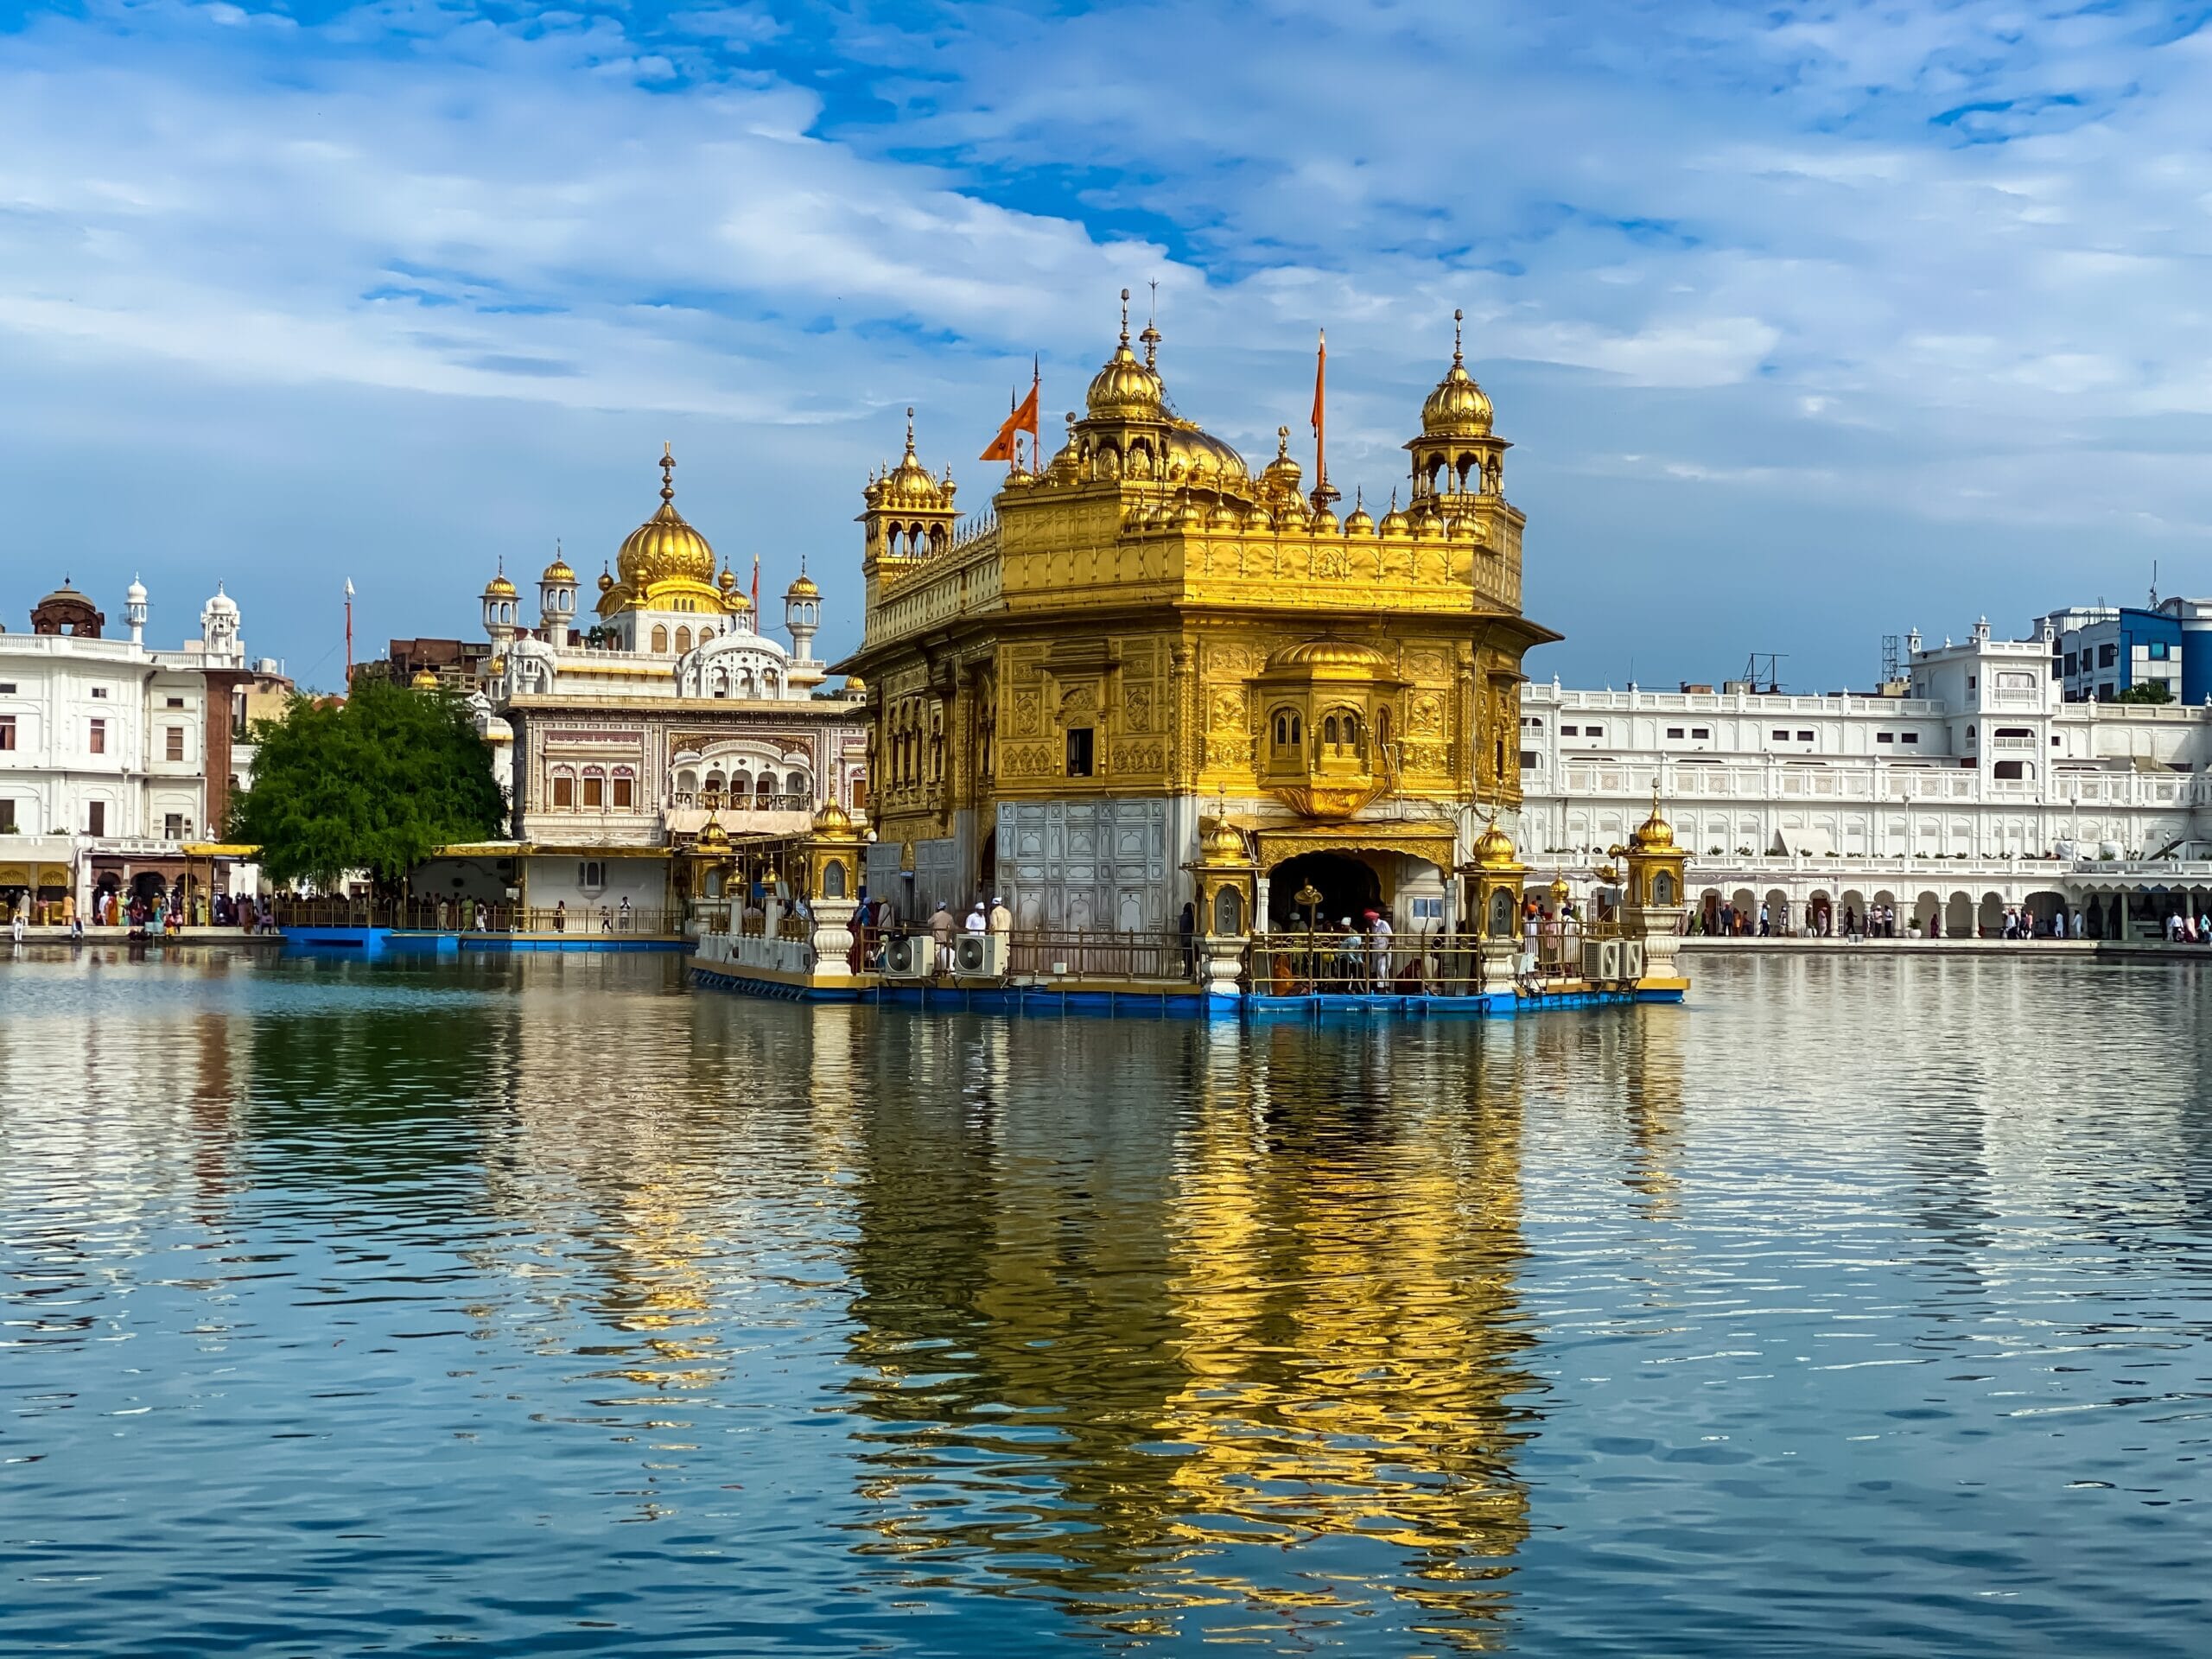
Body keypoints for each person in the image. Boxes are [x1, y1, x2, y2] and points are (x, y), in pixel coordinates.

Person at [1368, 908, 1393, 989]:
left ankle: (1383, 988)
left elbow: (1392, 938)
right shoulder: (1373, 926)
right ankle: (1380, 988)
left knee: (1382, 969)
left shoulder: (1383, 924)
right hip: (1376, 950)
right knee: (1374, 968)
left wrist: (1386, 950)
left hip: (1383, 951)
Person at [929, 900, 957, 973]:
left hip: (937, 939)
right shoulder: (949, 916)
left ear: (938, 908)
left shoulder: (936, 915)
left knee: (937, 954)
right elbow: (953, 927)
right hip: (945, 939)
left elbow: (928, 922)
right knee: (946, 954)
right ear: (944, 908)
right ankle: (945, 968)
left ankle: (938, 970)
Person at [1178, 900, 1197, 980]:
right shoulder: (1189, 917)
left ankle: (1187, 973)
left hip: (1184, 940)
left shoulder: (1182, 917)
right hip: (1189, 940)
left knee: (1186, 957)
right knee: (1189, 958)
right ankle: (1189, 973)